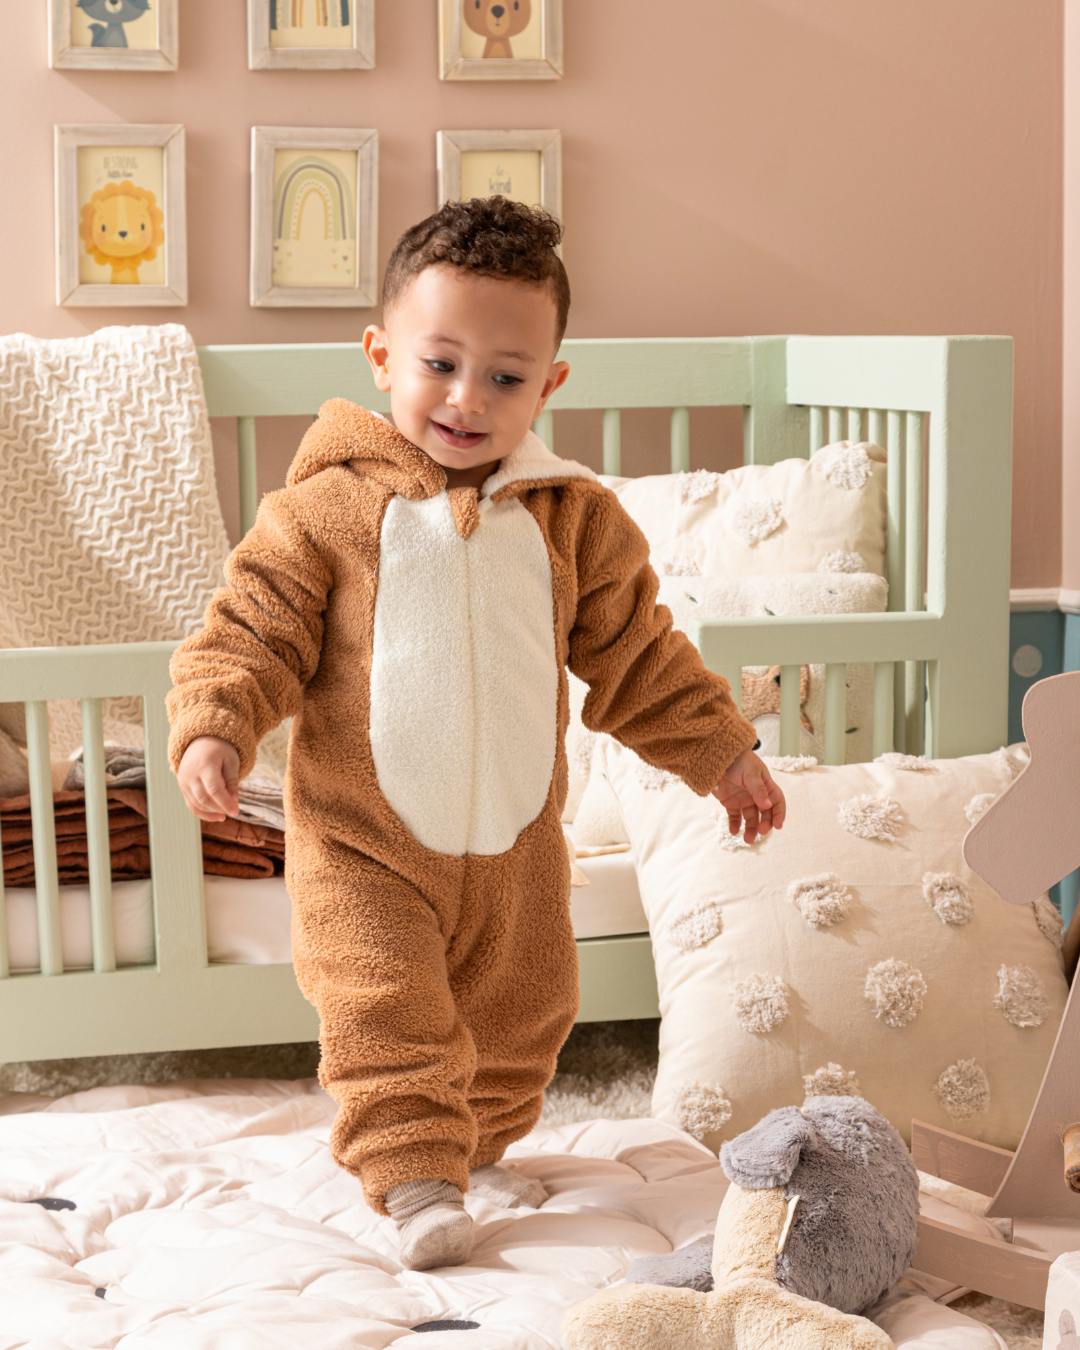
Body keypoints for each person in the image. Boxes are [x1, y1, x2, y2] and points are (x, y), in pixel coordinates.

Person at [167, 196, 786, 1271]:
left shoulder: (573, 521)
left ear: (548, 384)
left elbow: (639, 657)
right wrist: (215, 724)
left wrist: (723, 752)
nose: (467, 398)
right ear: (381, 356)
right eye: (440, 364)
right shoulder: (322, 512)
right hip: (365, 842)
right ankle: (415, 1177)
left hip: (515, 847)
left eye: (505, 376)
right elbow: (251, 628)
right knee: (383, 1005)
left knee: (523, 1014)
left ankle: (480, 1144)